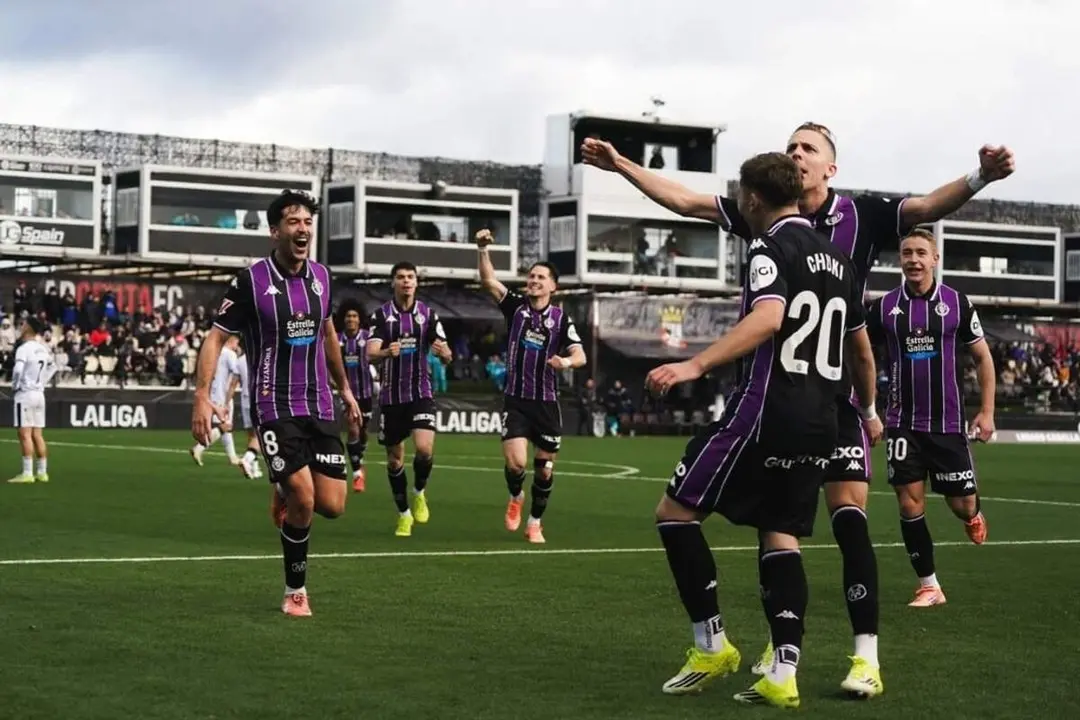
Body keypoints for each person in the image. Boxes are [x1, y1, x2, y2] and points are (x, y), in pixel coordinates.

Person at [582, 123, 1014, 696]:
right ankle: (782, 658)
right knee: (778, 528)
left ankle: (864, 659)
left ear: (829, 168)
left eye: (808, 148)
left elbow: (933, 204)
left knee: (847, 520)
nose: (796, 154)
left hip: (819, 402)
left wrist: (982, 174)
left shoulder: (858, 217)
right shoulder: (768, 218)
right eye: (791, 147)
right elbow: (685, 200)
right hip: (799, 398)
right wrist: (625, 166)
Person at [645, 152, 881, 709]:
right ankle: (783, 674)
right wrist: (867, 409)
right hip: (823, 421)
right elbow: (862, 354)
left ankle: (712, 644)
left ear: (752, 199)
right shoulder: (842, 264)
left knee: (674, 514)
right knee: (780, 534)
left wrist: (693, 365)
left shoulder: (767, 247)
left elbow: (770, 315)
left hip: (762, 413)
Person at [192, 189, 362, 618]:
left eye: (307, 222)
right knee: (304, 499)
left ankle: (280, 485)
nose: (302, 229)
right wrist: (201, 396)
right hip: (273, 404)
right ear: (275, 231)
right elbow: (214, 336)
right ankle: (295, 592)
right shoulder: (251, 281)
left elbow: (328, 336)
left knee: (334, 506)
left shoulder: (322, 277)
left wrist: (345, 389)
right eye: (293, 222)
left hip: (319, 404)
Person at [866, 228, 995, 607]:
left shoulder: (957, 304)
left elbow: (983, 358)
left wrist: (986, 412)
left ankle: (974, 513)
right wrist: (869, 410)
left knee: (962, 504)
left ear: (935, 259)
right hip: (903, 423)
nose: (913, 259)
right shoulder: (885, 308)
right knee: (909, 504)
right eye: (907, 253)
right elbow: (860, 352)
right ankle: (929, 585)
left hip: (948, 425)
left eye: (921, 252)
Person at [475, 229, 587, 543]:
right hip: (516, 400)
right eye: (531, 276)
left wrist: (564, 362)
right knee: (516, 464)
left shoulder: (561, 321)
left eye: (540, 277)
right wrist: (482, 250)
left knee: (545, 468)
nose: (534, 280)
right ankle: (515, 497)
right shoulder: (516, 307)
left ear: (554, 285)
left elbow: (580, 355)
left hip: (547, 403)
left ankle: (535, 522)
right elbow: (489, 281)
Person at [366, 261, 453, 537]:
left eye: (410, 277)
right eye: (401, 277)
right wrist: (385, 353)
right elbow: (369, 353)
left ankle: (419, 492)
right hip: (392, 397)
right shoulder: (381, 316)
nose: (406, 281)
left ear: (416, 283)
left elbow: (447, 353)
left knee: (425, 449)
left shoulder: (428, 315)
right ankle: (404, 514)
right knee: (394, 461)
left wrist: (444, 353)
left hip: (421, 392)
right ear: (393, 282)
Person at [9, 318, 56, 484]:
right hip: (39, 394)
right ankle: (42, 472)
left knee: (24, 434)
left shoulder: (24, 349)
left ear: (28, 328)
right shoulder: (42, 348)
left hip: (26, 394)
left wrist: (15, 385)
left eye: (23, 325)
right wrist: (41, 382)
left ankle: (27, 473)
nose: (21, 327)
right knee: (38, 435)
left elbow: (18, 370)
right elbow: (53, 366)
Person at [337, 298, 375, 492]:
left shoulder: (368, 338)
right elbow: (328, 363)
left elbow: (378, 358)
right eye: (348, 316)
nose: (351, 319)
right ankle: (357, 473)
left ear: (360, 320)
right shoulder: (337, 340)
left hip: (366, 393)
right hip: (347, 394)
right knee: (353, 429)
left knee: (362, 432)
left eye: (354, 316)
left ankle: (359, 454)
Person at [190, 334, 243, 467]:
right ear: (233, 340)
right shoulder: (230, 354)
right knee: (226, 426)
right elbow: (237, 373)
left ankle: (232, 457)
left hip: (212, 392)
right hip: (223, 394)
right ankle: (199, 448)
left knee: (226, 426)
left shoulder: (216, 352)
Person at [235, 344, 265, 479]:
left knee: (251, 435)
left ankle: (254, 467)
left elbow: (233, 382)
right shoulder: (261, 357)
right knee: (260, 435)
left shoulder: (240, 361)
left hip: (245, 400)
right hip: (259, 399)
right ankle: (247, 459)